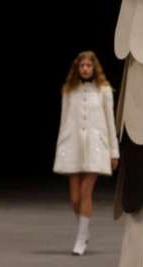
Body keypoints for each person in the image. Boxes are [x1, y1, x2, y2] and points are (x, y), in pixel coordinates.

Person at [53, 50, 119, 255]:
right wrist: (60, 149)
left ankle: (80, 239)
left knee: (85, 193)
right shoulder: (68, 90)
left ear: (94, 67)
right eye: (82, 65)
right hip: (72, 146)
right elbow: (64, 122)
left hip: (95, 146)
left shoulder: (104, 91)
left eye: (88, 65)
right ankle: (85, 228)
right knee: (74, 198)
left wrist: (114, 152)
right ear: (77, 68)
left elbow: (110, 121)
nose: (85, 69)